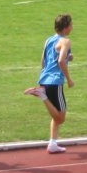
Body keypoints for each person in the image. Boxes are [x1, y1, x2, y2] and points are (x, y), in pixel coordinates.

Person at [24, 14, 74, 154]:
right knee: (61, 117)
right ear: (66, 27)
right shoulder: (65, 41)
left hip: (44, 78)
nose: (72, 27)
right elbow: (60, 61)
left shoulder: (48, 40)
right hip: (55, 81)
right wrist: (69, 79)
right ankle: (42, 95)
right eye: (71, 24)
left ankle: (52, 143)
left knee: (56, 115)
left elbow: (43, 61)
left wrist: (68, 57)